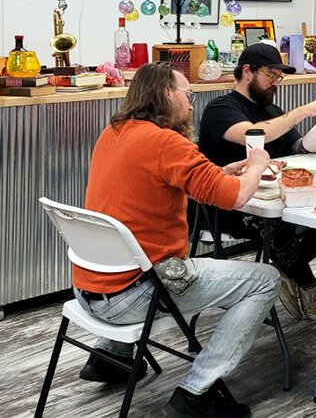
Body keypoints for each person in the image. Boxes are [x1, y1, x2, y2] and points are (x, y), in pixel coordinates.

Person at [73, 62, 280, 417]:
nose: (190, 102)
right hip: (136, 294)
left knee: (133, 247)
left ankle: (111, 356)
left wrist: (220, 173)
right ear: (167, 93)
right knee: (266, 279)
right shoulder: (166, 142)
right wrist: (258, 164)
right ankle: (196, 391)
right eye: (188, 94)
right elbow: (234, 197)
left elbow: (164, 179)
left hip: (89, 287)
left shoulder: (114, 131)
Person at [199, 43, 316, 322]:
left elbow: (297, 147)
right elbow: (254, 135)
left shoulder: (273, 110)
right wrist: (300, 112)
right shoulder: (221, 109)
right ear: (247, 71)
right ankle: (306, 283)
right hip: (231, 203)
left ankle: (282, 269)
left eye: (279, 77)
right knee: (276, 225)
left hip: (273, 196)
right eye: (270, 75)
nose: (276, 83)